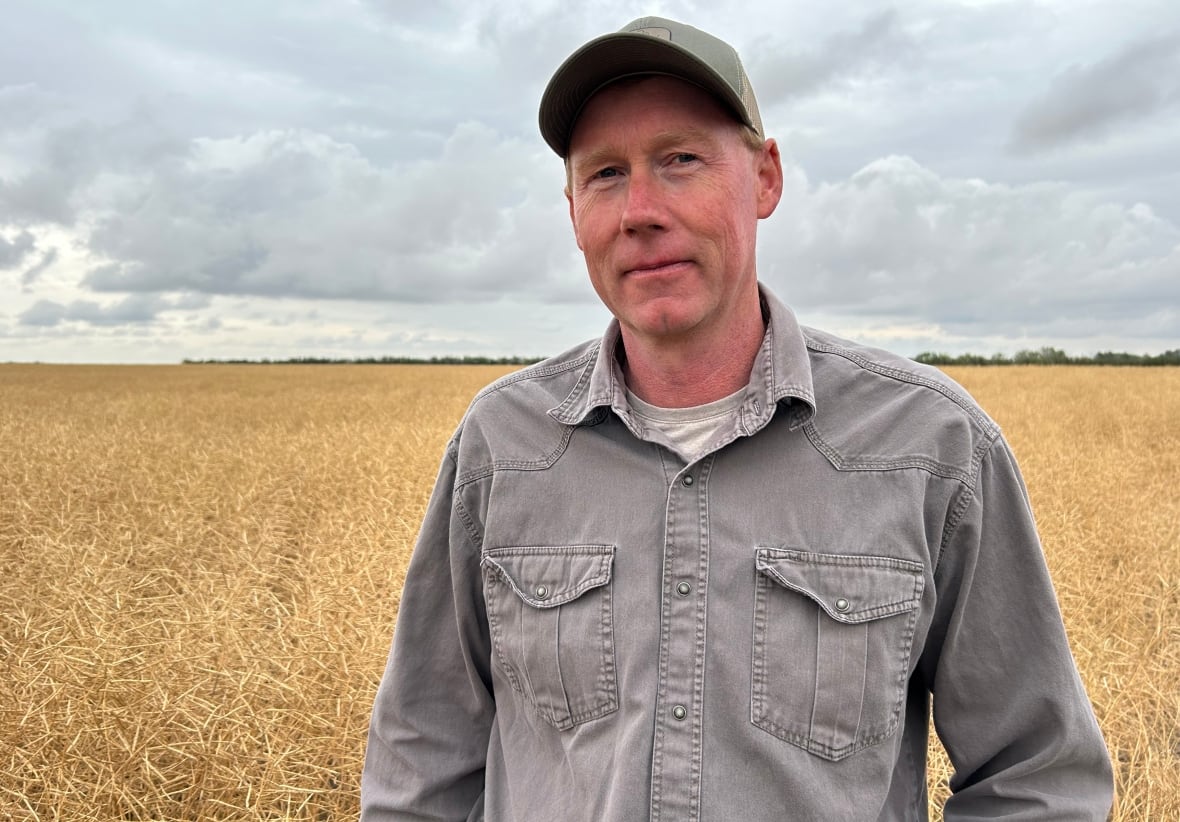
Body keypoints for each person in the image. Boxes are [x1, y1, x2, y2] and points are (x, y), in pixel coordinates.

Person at [361, 16, 1114, 821]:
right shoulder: (501, 447)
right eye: (605, 174)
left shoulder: (930, 447)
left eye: (680, 160)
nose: (639, 210)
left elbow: (1040, 777)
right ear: (573, 209)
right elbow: (422, 765)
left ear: (764, 177)